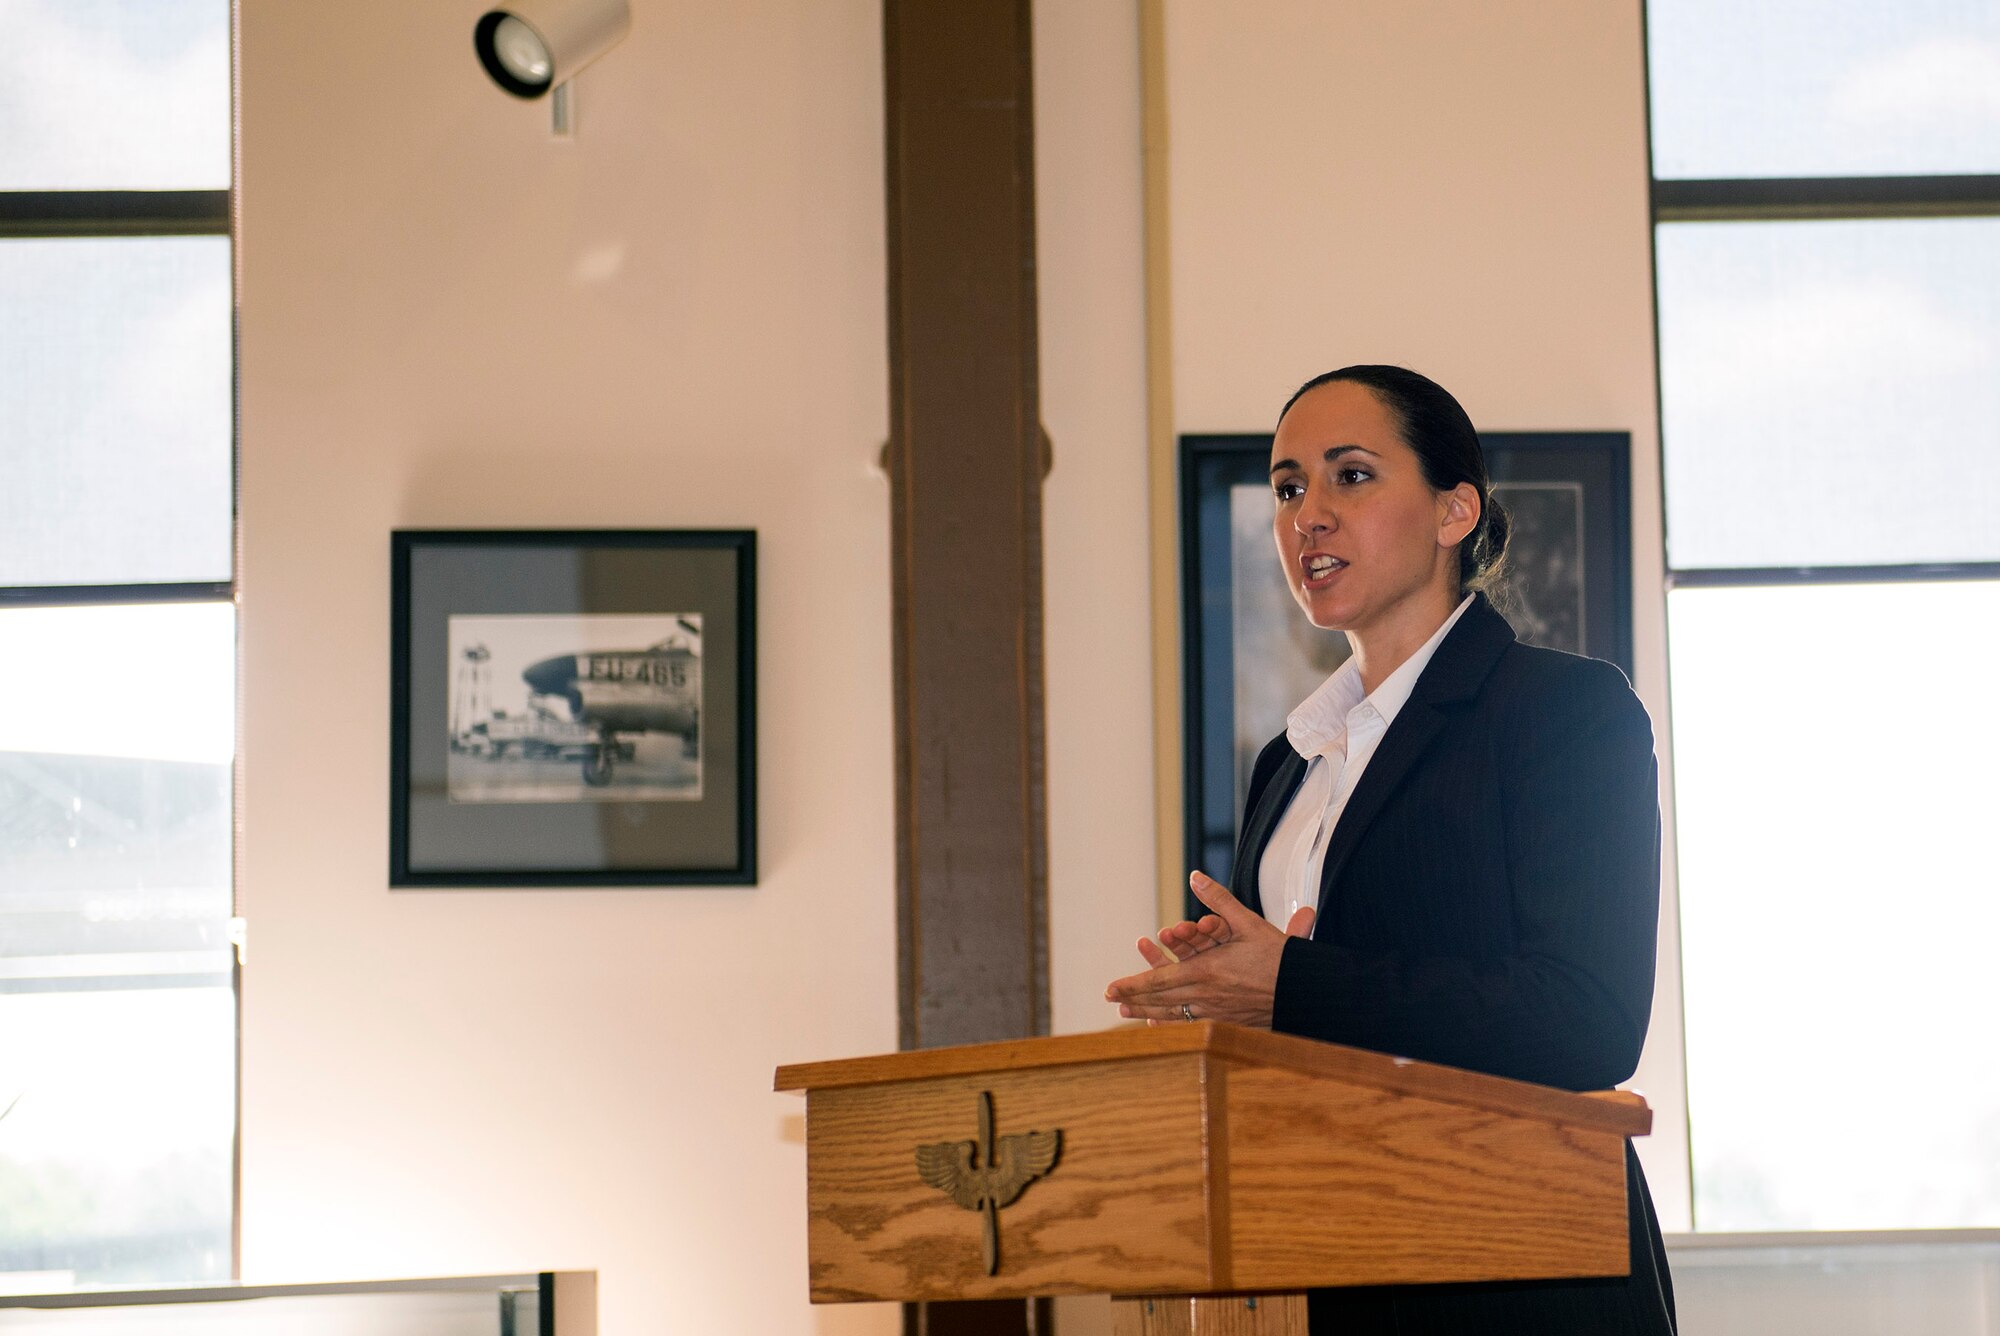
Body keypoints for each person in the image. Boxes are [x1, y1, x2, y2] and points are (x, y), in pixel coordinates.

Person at [1104, 365, 1676, 1335]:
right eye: (1287, 488)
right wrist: (1211, 1006)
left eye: (1350, 476)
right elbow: (1298, 1007)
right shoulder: (1287, 763)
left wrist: (1284, 985)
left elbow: (1585, 1019)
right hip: (1318, 1266)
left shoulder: (1561, 713)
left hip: (1524, 1272)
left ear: (1455, 511)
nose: (1306, 516)